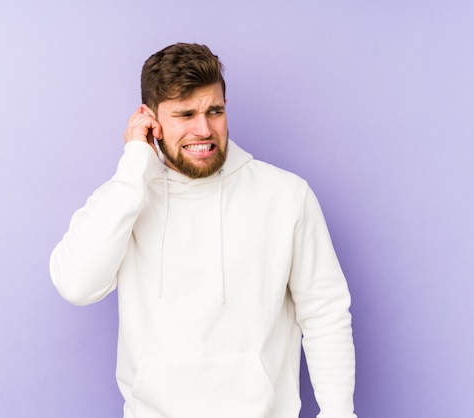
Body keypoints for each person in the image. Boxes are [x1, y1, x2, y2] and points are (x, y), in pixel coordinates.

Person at [50, 42, 357, 418]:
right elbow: (76, 286)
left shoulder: (286, 195)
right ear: (151, 121)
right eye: (185, 114)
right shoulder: (125, 199)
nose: (204, 129)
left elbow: (324, 313)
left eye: (215, 111)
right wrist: (134, 166)